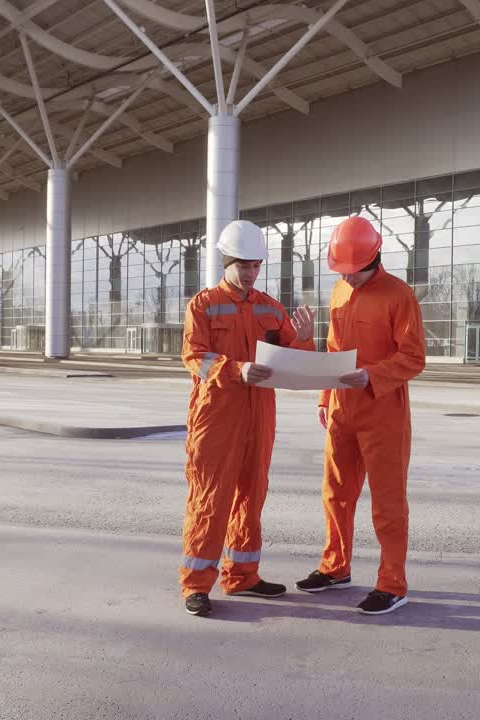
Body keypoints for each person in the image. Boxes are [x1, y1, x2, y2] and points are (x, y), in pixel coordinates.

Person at [179, 220, 316, 618]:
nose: (251, 272)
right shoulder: (203, 305)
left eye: (256, 265)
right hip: (217, 416)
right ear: (226, 262)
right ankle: (197, 585)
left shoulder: (271, 308)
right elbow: (194, 357)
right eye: (244, 265)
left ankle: (242, 575)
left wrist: (305, 337)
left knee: (251, 497)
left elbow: (293, 358)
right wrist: (235, 370)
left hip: (260, 416)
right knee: (209, 500)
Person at [295, 216, 426, 615]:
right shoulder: (338, 292)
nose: (348, 279)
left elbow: (413, 357)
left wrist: (372, 374)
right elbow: (335, 350)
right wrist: (324, 397)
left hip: (383, 410)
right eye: (342, 272)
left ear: (375, 257)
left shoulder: (399, 296)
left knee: (387, 503)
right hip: (341, 410)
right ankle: (336, 567)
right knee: (336, 494)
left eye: (354, 273)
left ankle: (392, 583)